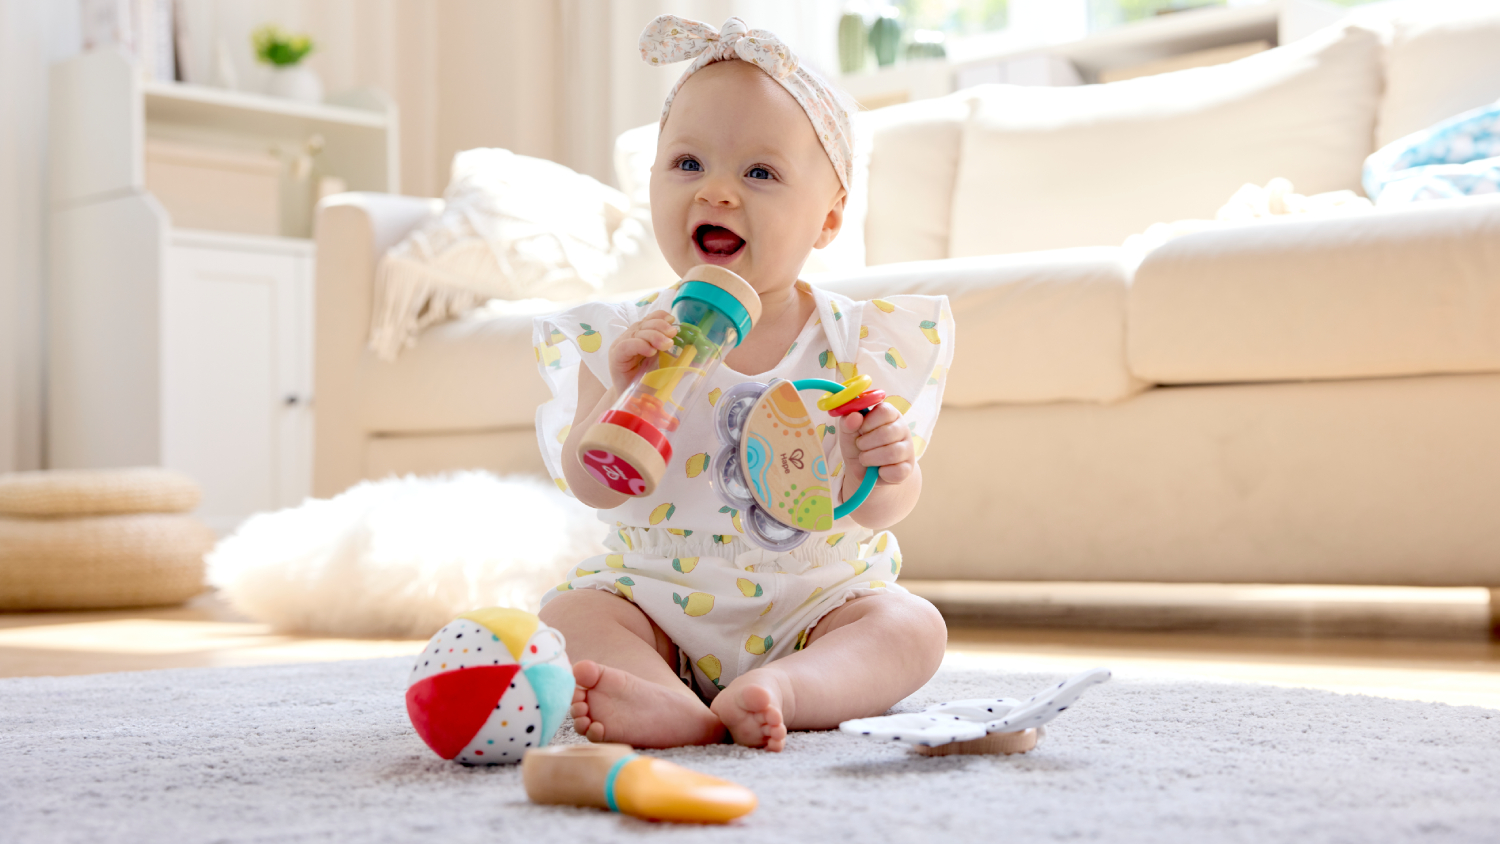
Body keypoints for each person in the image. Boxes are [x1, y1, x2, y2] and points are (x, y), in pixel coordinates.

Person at [533, 15, 956, 752]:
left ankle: (789, 687)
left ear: (827, 218)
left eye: (759, 173)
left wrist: (887, 463)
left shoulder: (856, 339)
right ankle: (665, 697)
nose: (717, 193)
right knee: (570, 614)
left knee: (911, 627)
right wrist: (619, 392)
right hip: (654, 596)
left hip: (813, 599)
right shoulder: (625, 339)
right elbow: (591, 484)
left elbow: (884, 509)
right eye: (688, 164)